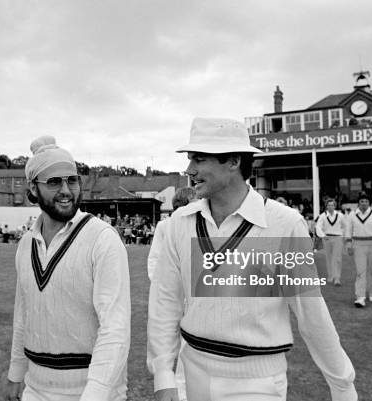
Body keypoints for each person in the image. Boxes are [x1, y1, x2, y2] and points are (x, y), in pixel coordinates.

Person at [147, 118, 356, 401]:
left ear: (233, 161)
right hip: (192, 375)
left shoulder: (283, 223)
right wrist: (162, 373)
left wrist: (342, 385)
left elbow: (310, 309)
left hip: (257, 382)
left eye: (198, 159)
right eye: (190, 159)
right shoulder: (178, 224)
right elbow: (165, 302)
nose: (189, 170)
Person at [5, 136, 130, 401]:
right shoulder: (26, 243)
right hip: (36, 387)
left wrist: (95, 393)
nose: (66, 190)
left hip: (91, 389)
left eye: (71, 180)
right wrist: (16, 373)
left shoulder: (102, 238)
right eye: (53, 182)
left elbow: (115, 327)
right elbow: (23, 314)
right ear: (33, 189)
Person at [147, 186, 195, 401]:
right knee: (166, 340)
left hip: (195, 294)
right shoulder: (166, 226)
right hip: (172, 293)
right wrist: (164, 287)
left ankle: (183, 390)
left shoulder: (201, 223)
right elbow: (155, 260)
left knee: (191, 345)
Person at [344, 192, 372, 307]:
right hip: (358, 245)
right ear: (358, 203)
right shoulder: (352, 215)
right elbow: (348, 231)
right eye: (361, 201)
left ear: (369, 203)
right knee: (360, 272)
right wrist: (349, 245)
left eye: (366, 201)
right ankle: (360, 297)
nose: (364, 203)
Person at [315, 199, 346, 286]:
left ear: (335, 206)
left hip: (338, 238)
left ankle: (337, 278)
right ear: (326, 206)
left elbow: (345, 226)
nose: (330, 207)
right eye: (329, 205)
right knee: (329, 257)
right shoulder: (323, 216)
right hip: (327, 238)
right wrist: (323, 235)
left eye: (332, 205)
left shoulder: (340, 215)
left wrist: (342, 235)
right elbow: (318, 227)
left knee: (337, 258)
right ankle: (330, 275)